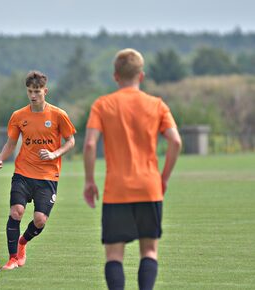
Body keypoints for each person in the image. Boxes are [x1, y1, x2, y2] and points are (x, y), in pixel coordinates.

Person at [82, 48, 182, 290]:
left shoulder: (103, 105)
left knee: (114, 255)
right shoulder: (157, 105)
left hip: (117, 190)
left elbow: (90, 144)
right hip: (149, 187)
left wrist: (89, 181)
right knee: (149, 250)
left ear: (116, 76)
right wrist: (164, 178)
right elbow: (176, 141)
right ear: (142, 75)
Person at [0, 70, 76, 270]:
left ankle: (23, 242)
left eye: (37, 91)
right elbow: (11, 143)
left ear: (45, 91)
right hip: (23, 172)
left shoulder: (58, 115)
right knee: (16, 211)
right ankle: (12, 258)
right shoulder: (18, 116)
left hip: (48, 176)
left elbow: (71, 141)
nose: (33, 95)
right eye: (30, 91)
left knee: (39, 220)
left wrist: (55, 154)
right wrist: (0, 159)